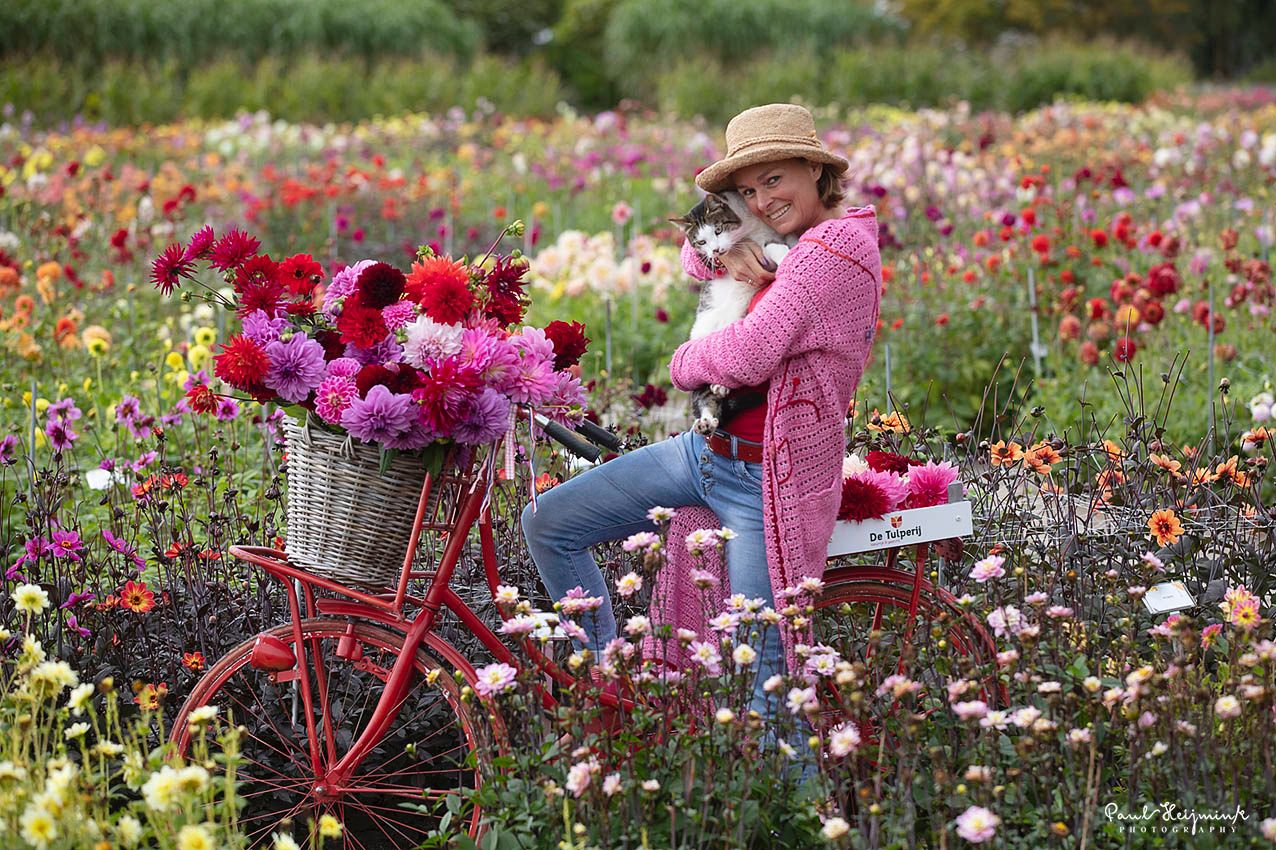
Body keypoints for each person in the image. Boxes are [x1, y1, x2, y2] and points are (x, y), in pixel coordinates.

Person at [522, 103, 882, 722]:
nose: (763, 202)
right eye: (748, 191)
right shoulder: (790, 241)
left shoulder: (834, 250)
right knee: (549, 524)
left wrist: (684, 361)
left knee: (763, 684)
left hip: (767, 483)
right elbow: (695, 252)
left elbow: (748, 354)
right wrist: (726, 249)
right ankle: (611, 683)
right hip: (704, 456)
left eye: (775, 180)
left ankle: (797, 811)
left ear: (813, 170)